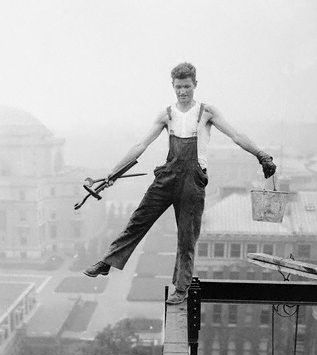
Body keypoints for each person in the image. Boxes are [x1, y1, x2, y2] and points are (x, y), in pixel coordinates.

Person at [84, 62, 276, 304]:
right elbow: (140, 146)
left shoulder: (207, 112)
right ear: (172, 87)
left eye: (187, 86)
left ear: (195, 85)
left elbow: (236, 135)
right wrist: (113, 173)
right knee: (138, 220)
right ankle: (106, 262)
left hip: (193, 181)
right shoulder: (167, 114)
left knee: (187, 237)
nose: (183, 91)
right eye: (178, 87)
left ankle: (181, 288)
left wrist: (261, 154)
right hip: (168, 176)